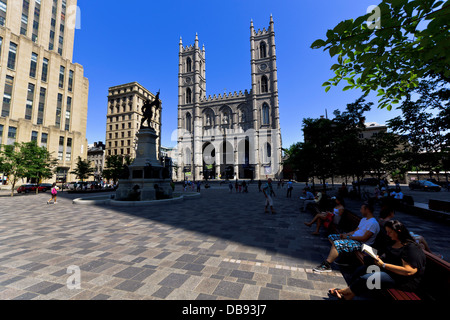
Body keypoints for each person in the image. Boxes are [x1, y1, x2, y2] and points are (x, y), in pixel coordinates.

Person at [328, 220, 426, 300]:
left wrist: (383, 265)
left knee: (368, 278)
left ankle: (343, 292)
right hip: (389, 271)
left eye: (390, 232)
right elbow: (388, 255)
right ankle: (349, 296)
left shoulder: (411, 248)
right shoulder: (394, 242)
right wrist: (377, 257)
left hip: (402, 280)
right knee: (360, 270)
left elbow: (409, 271)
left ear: (399, 231)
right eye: (387, 231)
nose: (388, 234)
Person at [313, 203, 380, 273]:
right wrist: (345, 235)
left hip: (362, 244)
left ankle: (327, 265)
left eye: (362, 209)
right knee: (332, 237)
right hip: (354, 239)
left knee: (337, 244)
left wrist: (348, 237)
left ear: (367, 210)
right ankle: (342, 256)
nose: (360, 211)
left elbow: (364, 238)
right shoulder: (364, 219)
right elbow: (355, 231)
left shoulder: (373, 223)